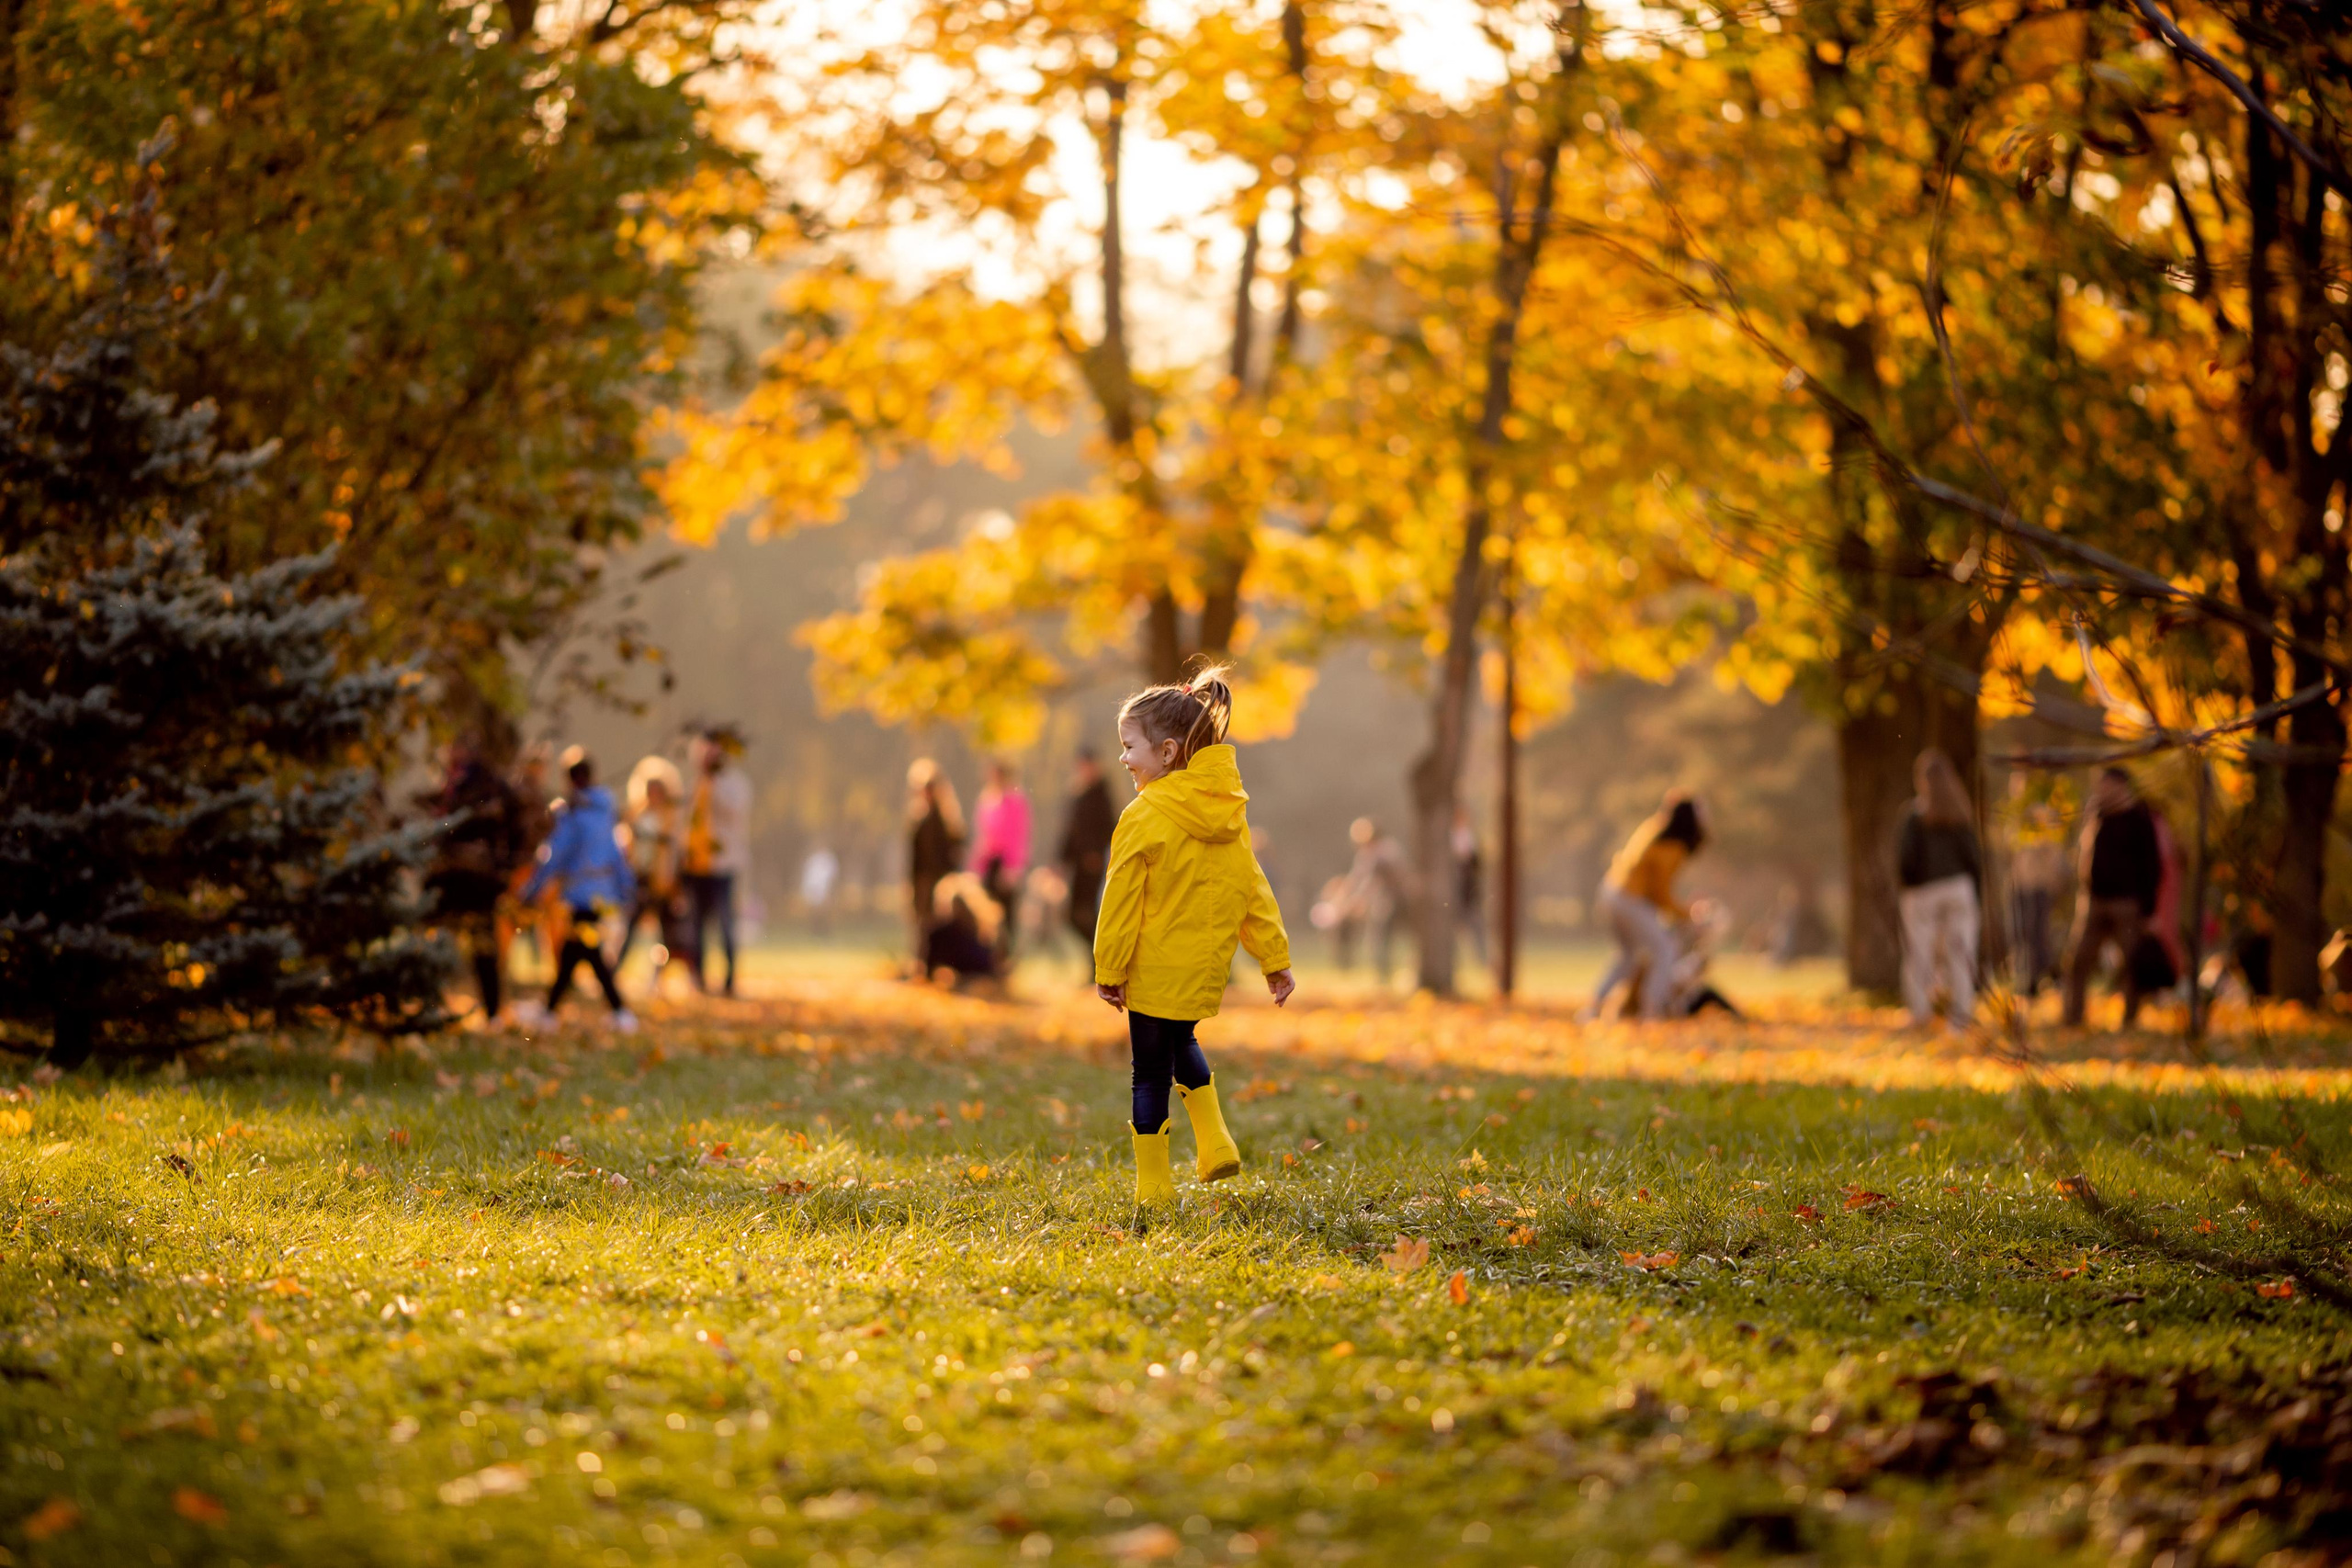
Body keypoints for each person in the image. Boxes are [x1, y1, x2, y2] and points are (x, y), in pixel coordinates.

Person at [1092, 666, 1295, 1205]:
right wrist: (1274, 960)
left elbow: (1119, 904)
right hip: (1202, 972)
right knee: (1183, 1041)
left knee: (1149, 1075)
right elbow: (1254, 890)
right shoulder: (1231, 815)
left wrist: (1109, 971)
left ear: (1166, 751)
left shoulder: (1143, 815)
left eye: (1129, 746)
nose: (1123, 757)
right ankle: (1214, 1140)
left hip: (1152, 967)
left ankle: (1154, 1188)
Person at [518, 747, 637, 1031]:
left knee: (586, 951)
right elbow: (615, 852)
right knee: (577, 952)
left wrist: (530, 890)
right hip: (603, 892)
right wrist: (626, 887)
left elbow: (553, 855)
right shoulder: (605, 810)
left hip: (580, 893)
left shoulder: (571, 812)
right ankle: (551, 1010)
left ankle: (618, 1012)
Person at [424, 738, 523, 1022]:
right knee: (459, 941)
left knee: (475, 943)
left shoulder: (480, 785)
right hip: (459, 874)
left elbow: (512, 824)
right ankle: (480, 1010)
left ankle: (489, 1010)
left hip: (471, 876)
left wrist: (504, 864)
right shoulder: (455, 783)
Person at [2063, 767, 2165, 1028]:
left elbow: (2152, 865)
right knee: (2078, 960)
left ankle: (2129, 1019)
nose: (2101, 790)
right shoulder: (2098, 816)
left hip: (2127, 903)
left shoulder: (2139, 817)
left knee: (2131, 962)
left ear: (2121, 786)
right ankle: (2072, 1017)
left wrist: (2149, 910)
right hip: (2094, 900)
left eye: (2106, 785)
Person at [1591, 794, 1706, 1021]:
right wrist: (1687, 914)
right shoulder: (1672, 846)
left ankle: (1593, 1008)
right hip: (1628, 899)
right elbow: (1660, 893)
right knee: (1665, 949)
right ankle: (1651, 1010)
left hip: (1611, 891)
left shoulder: (1654, 828)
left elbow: (1655, 891)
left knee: (1628, 956)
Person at [1894, 748, 1983, 1027]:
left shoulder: (1915, 815)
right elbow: (1974, 858)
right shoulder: (1960, 813)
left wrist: (1907, 886)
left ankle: (1920, 1013)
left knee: (1920, 955)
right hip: (1959, 888)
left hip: (1923, 892)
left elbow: (1906, 859)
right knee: (1961, 956)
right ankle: (1961, 1016)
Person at [681, 728, 753, 998]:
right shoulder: (694, 784)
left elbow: (734, 813)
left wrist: (713, 783)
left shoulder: (735, 783)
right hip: (696, 865)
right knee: (695, 926)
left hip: (724, 865)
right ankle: (698, 979)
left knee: (726, 925)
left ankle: (730, 981)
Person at [615, 756, 691, 992]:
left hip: (664, 880)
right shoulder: (636, 815)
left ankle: (657, 978)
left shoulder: (671, 819)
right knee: (630, 929)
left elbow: (678, 852)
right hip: (641, 878)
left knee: (665, 934)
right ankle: (613, 972)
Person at [906, 759, 966, 964]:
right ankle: (922, 963)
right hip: (923, 879)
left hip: (941, 880)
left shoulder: (947, 819)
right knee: (922, 922)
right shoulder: (919, 818)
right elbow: (915, 855)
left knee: (938, 922)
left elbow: (955, 850)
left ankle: (937, 963)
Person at [1341, 818, 1415, 984]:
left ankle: (1387, 975)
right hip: (1385, 902)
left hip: (1393, 902)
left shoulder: (1384, 851)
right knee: (1381, 939)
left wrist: (1355, 900)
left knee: (1379, 938)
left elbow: (1366, 881)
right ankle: (1385, 974)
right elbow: (1358, 879)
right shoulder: (1372, 852)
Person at [969, 761, 1031, 958]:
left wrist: (1014, 867)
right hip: (989, 864)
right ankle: (989, 956)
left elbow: (1019, 836)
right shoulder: (987, 800)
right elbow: (982, 836)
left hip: (1007, 865)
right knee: (986, 911)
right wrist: (976, 868)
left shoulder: (1016, 802)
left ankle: (1006, 957)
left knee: (1007, 914)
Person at [1058, 749, 1117, 944]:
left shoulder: (1103, 796)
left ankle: (1099, 955)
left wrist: (1097, 854)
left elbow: (1110, 827)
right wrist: (1061, 859)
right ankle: (1095, 953)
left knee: (1090, 911)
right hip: (1078, 864)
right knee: (1072, 915)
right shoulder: (1078, 794)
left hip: (1094, 865)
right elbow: (1071, 831)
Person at [2008, 803, 2065, 996]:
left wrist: (2053, 886)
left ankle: (2045, 977)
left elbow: (2055, 863)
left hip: (2039, 889)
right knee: (2022, 936)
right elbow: (2016, 863)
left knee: (2038, 936)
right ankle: (2029, 978)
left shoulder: (2046, 830)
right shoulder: (2019, 830)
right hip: (2021, 889)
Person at [922, 872, 1006, 988]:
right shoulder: (939, 933)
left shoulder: (983, 933)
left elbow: (992, 968)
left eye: (961, 905)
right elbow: (930, 968)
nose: (958, 910)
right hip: (952, 986)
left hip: (979, 985)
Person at [1453, 807, 1489, 968]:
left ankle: (1486, 966)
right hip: (1454, 894)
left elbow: (1477, 866)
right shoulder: (1448, 838)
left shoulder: (1470, 838)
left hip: (1468, 893)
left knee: (1477, 933)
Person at [799, 845, 840, 934]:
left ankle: (825, 931)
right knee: (814, 911)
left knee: (825, 911)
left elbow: (833, 876)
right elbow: (808, 876)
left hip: (825, 888)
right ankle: (815, 930)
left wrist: (831, 891)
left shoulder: (830, 859)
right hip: (813, 888)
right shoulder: (812, 859)